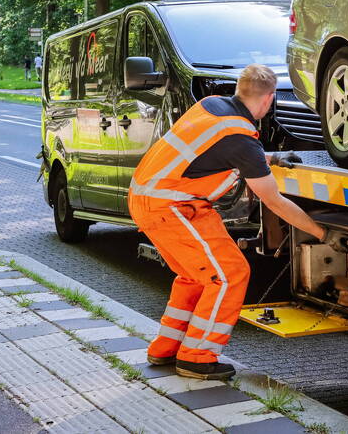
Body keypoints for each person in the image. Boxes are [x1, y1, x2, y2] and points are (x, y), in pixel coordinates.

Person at [128, 64, 328, 381]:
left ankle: (166, 348)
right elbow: (274, 200)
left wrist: (270, 158)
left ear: (240, 89)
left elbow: (212, 151)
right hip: (174, 207)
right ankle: (197, 358)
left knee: (195, 277)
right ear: (269, 99)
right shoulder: (241, 139)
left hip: (152, 199)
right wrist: (320, 232)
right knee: (229, 275)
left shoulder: (211, 106)